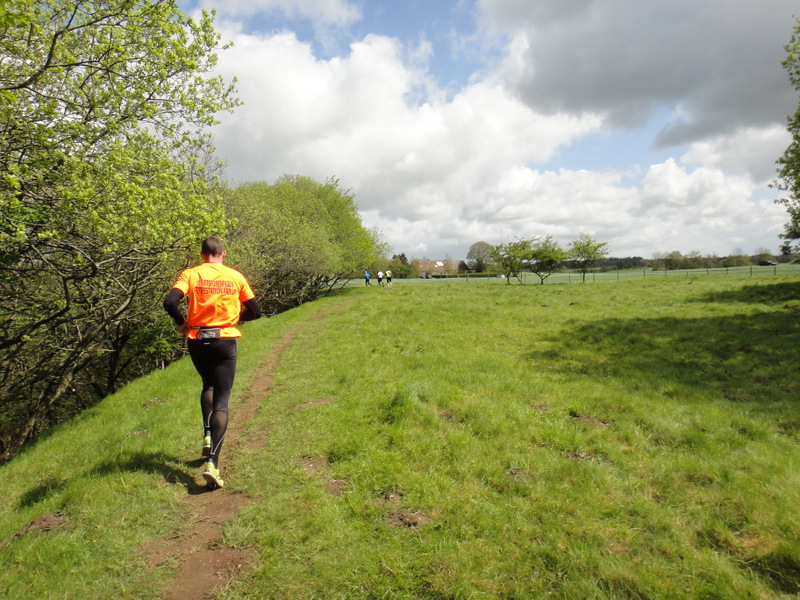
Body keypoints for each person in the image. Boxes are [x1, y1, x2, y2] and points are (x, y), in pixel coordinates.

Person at [163, 237, 261, 489]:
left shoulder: (190, 274)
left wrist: (181, 323)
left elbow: (170, 302)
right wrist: (239, 317)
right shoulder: (236, 277)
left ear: (202, 254)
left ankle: (207, 434)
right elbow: (256, 310)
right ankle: (213, 464)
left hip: (197, 338)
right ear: (223, 254)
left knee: (207, 385)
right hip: (225, 339)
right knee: (222, 399)